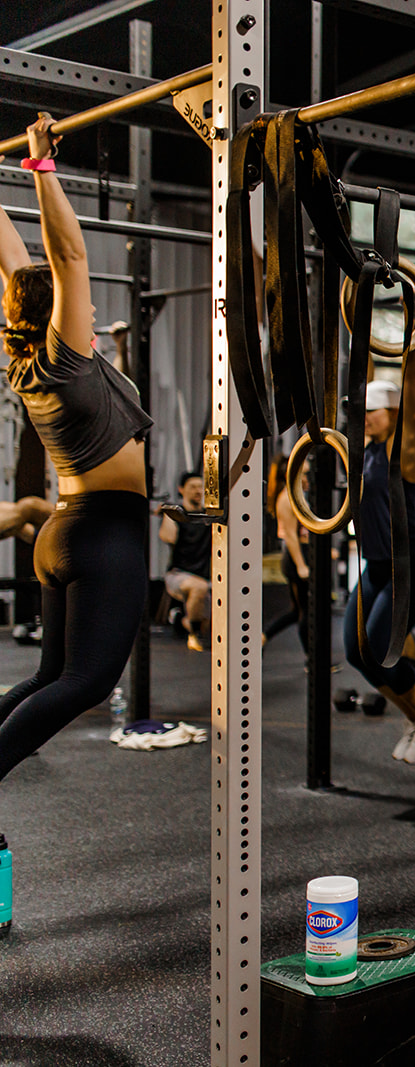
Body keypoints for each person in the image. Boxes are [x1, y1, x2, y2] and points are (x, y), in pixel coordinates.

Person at [0, 114, 154, 791]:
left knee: (49, 676)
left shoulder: (31, 359)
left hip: (65, 532)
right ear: (59, 314)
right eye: (77, 306)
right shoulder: (66, 360)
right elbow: (67, 259)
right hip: (103, 536)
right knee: (87, 681)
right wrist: (41, 167)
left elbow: (14, 261)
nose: (88, 310)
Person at [345, 377, 415, 765]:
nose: (364, 417)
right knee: (355, 652)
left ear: (393, 413)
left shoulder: (403, 453)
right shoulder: (369, 450)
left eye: (372, 411)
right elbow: (364, 364)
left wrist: (413, 354)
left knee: (377, 650)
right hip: (376, 568)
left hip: (409, 567)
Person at [263, 455, 315, 662]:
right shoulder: (287, 499)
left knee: (297, 612)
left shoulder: (298, 496)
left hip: (302, 554)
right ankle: (313, 661)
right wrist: (302, 565)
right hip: (296, 559)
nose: (307, 478)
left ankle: (263, 637)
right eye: (304, 474)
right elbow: (291, 536)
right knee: (307, 612)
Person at [159, 470, 210, 652]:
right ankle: (194, 636)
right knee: (198, 587)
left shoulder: (208, 516)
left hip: (205, 577)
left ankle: (179, 619)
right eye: (193, 487)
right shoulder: (176, 516)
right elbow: (167, 537)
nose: (197, 491)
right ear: (181, 489)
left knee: (209, 626)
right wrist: (167, 514)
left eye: (200, 487)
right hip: (178, 575)